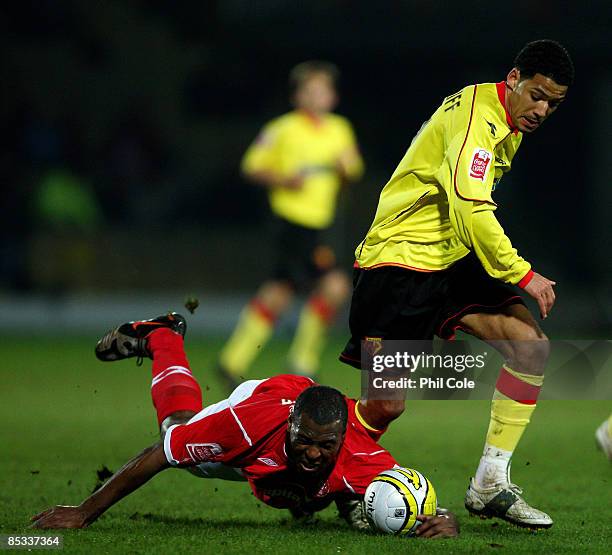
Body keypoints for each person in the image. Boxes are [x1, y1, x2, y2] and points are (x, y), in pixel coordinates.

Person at [338, 40, 574, 529]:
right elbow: (471, 206)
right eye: (536, 95)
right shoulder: (478, 124)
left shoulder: (504, 118)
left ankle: (490, 483)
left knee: (529, 347)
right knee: (385, 405)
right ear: (513, 78)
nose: (542, 109)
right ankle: (324, 472)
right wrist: (521, 273)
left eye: (553, 102)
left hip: (449, 260)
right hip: (397, 263)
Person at [31, 313, 458, 538]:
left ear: (343, 438)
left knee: (317, 484)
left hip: (306, 415)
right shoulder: (244, 427)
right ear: (292, 427)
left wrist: (445, 521)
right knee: (177, 435)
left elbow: (415, 502)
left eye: (324, 446)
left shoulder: (361, 454)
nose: (312, 451)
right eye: (303, 441)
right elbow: (161, 454)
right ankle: (163, 337)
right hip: (262, 405)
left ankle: (338, 498)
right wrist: (84, 513)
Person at [217, 61, 364, 387]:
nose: (317, 96)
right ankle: (295, 362)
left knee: (319, 288)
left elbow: (353, 169)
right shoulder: (281, 129)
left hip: (323, 225)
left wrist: (343, 167)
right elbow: (251, 166)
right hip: (290, 223)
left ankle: (239, 360)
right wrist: (283, 178)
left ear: (333, 97)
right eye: (310, 90)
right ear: (297, 96)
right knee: (295, 290)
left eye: (323, 90)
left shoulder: (339, 129)